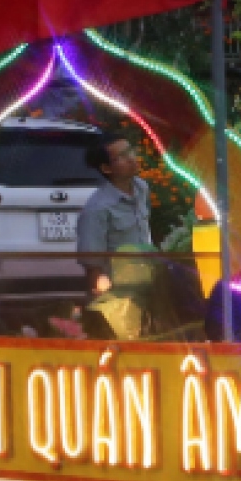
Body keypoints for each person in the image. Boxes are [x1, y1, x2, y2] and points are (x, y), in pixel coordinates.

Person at [76, 133, 164, 338]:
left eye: (130, 151)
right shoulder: (97, 209)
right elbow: (93, 267)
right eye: (122, 157)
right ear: (106, 169)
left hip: (149, 286)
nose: (132, 158)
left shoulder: (141, 188)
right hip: (120, 296)